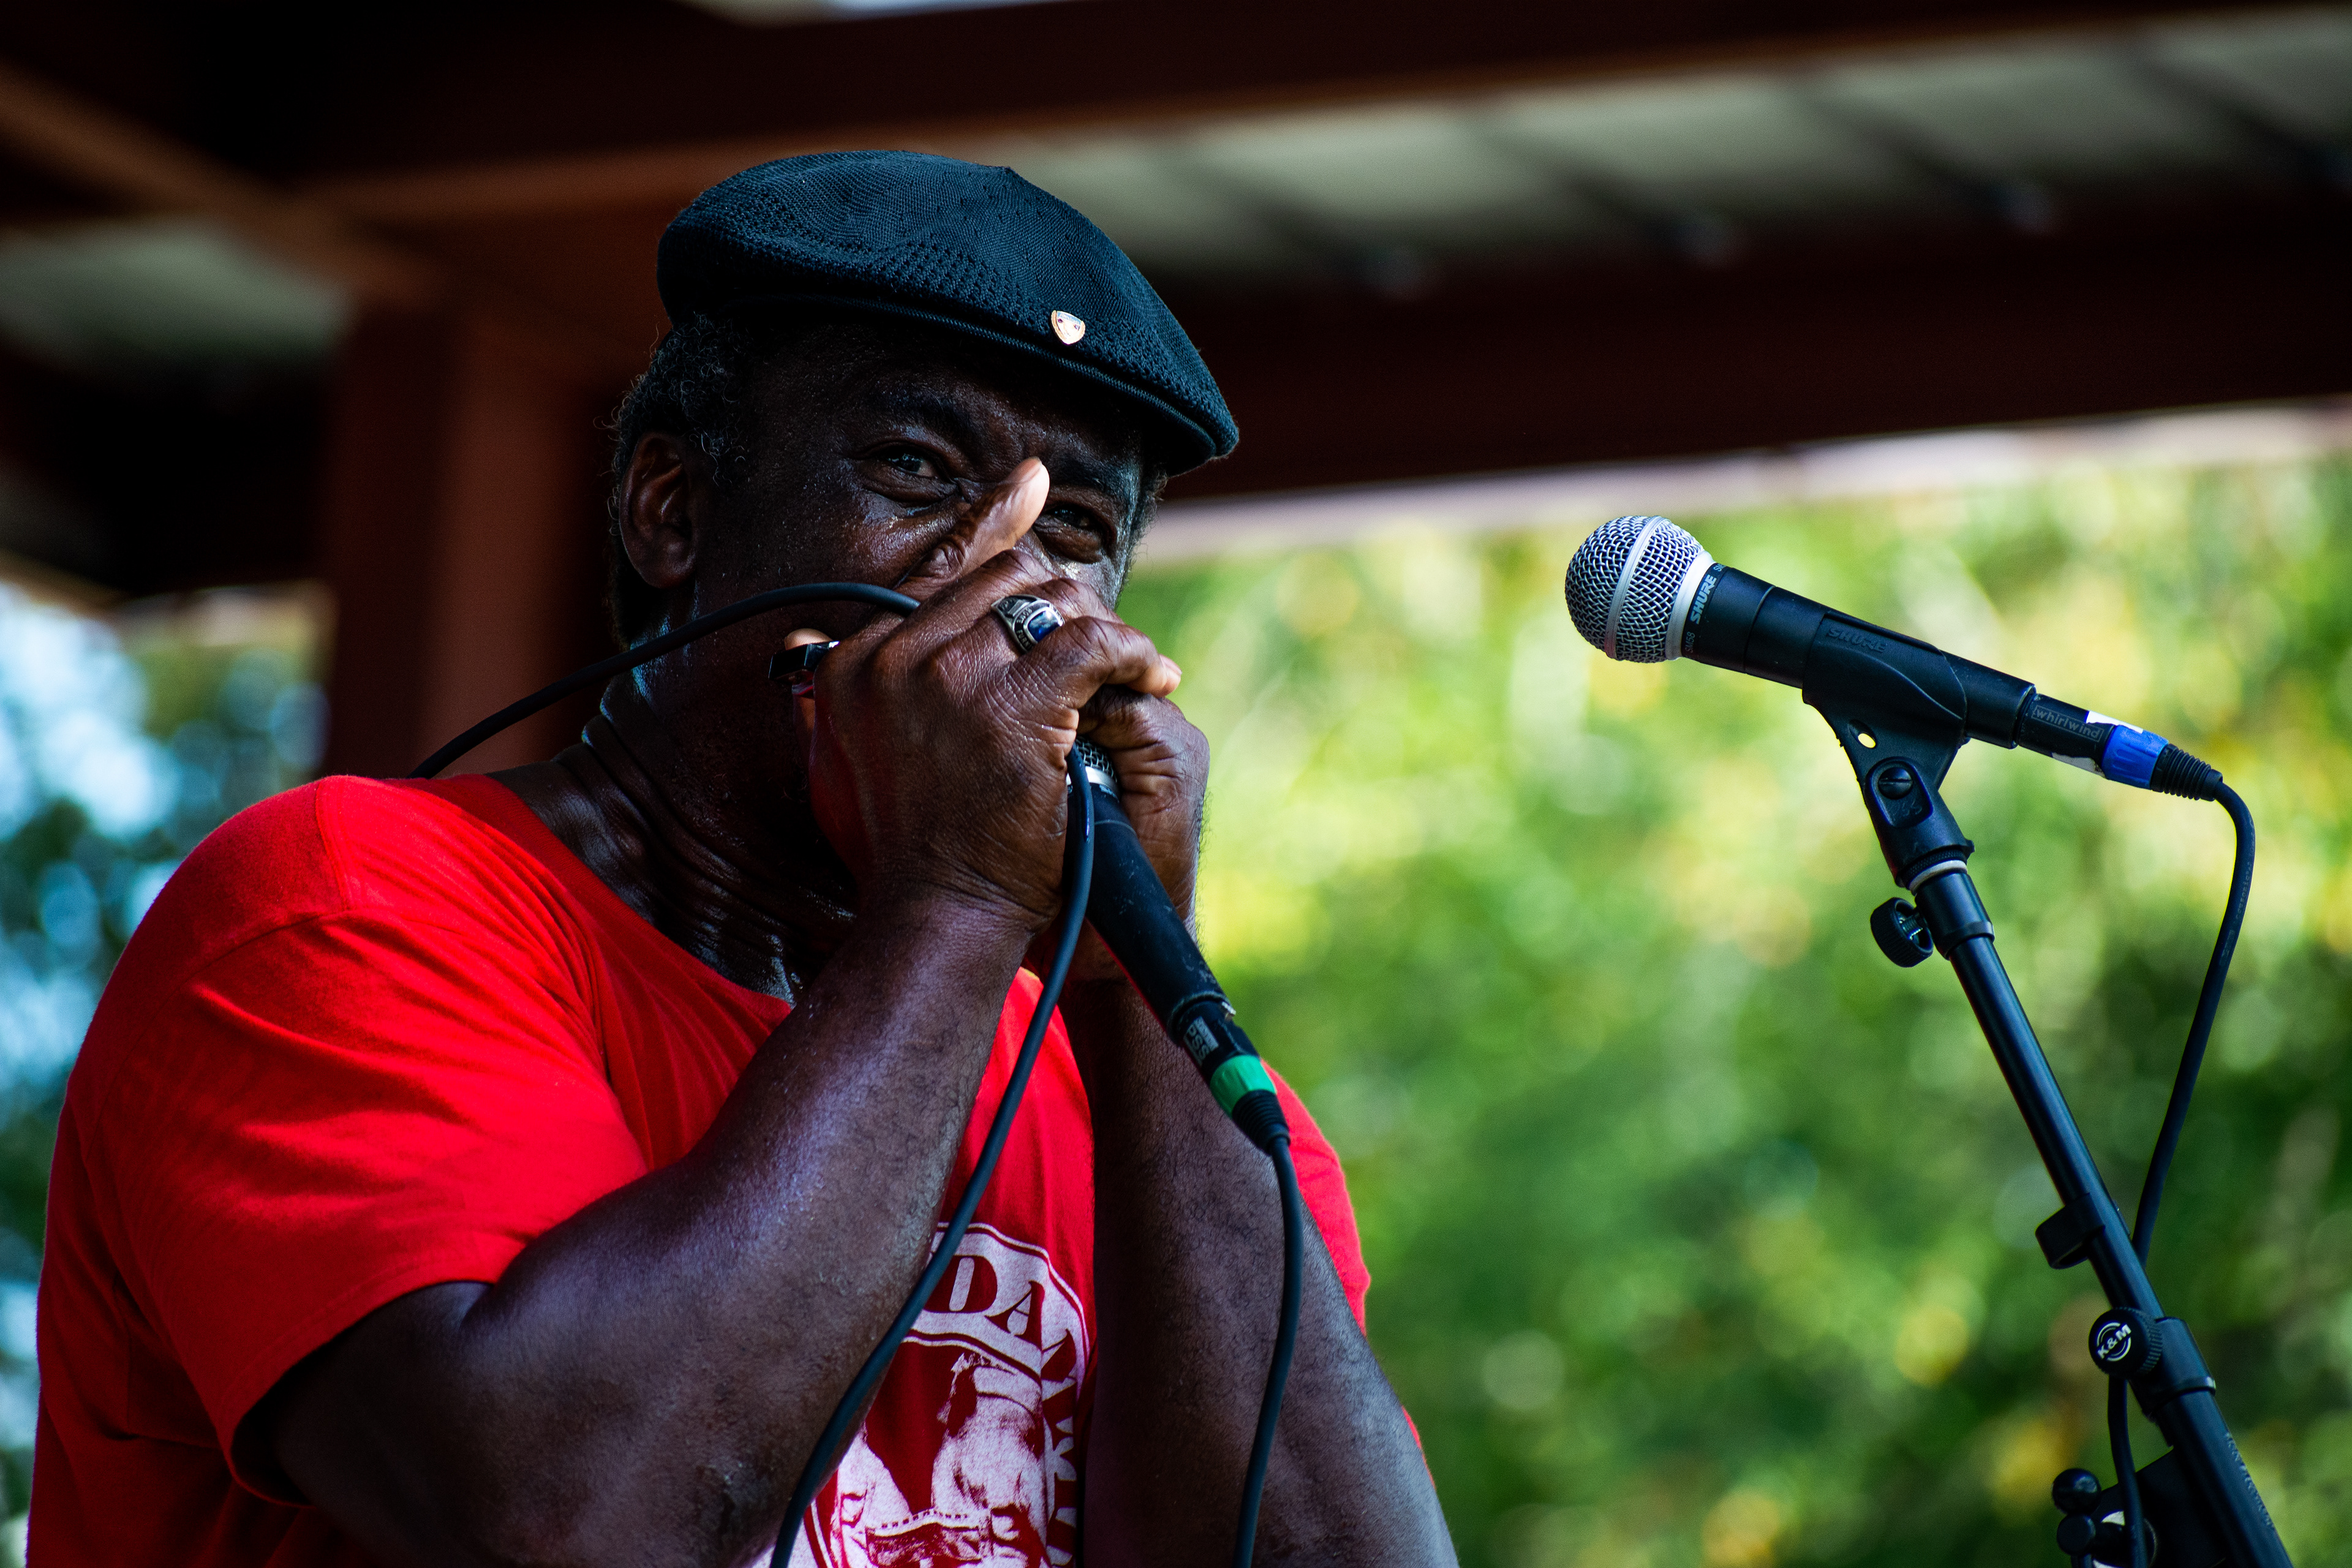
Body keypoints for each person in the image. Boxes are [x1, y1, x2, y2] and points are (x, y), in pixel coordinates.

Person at [33, 151, 1453, 1567]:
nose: (1009, 586)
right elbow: (578, 1526)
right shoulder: (342, 906)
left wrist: (1127, 982)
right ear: (673, 508)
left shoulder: (1156, 1101)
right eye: (917, 469)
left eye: (1075, 531)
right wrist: (961, 897)